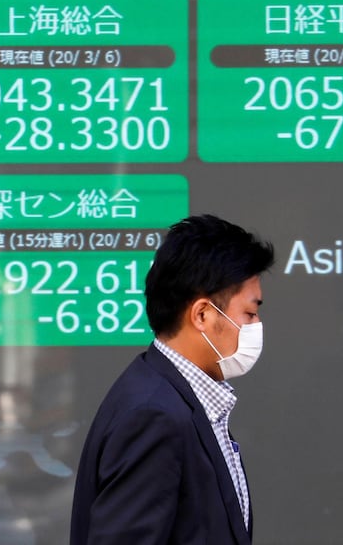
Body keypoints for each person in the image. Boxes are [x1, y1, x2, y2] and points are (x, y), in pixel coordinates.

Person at [70, 214, 275, 545]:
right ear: (202, 315)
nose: (256, 324)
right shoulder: (154, 415)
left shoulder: (178, 399)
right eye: (249, 313)